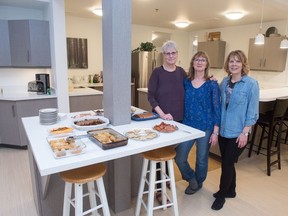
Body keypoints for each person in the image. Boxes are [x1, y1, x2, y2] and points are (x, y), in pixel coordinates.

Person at [211, 50, 259, 210]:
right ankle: (231, 190)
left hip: (239, 133)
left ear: (243, 64)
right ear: (227, 64)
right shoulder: (224, 82)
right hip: (224, 131)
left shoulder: (251, 84)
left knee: (226, 163)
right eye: (231, 61)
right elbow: (218, 103)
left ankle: (222, 194)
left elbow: (253, 112)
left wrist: (245, 132)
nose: (234, 64)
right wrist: (212, 81)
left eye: (237, 61)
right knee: (229, 163)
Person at [174, 51, 221, 195]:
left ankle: (198, 183)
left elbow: (217, 108)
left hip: (206, 126)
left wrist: (215, 131)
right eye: (197, 59)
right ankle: (190, 177)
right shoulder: (186, 82)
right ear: (192, 63)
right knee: (179, 157)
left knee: (201, 158)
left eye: (203, 60)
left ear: (207, 64)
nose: (199, 62)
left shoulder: (212, 84)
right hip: (188, 125)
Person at [148, 40, 187, 204]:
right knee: (159, 155)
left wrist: (209, 78)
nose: (171, 56)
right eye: (167, 53)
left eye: (173, 53)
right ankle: (158, 189)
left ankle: (167, 179)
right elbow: (151, 96)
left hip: (179, 120)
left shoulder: (182, 72)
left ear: (177, 54)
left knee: (171, 153)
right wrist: (162, 114)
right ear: (163, 55)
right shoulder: (157, 72)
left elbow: (193, 85)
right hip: (161, 121)